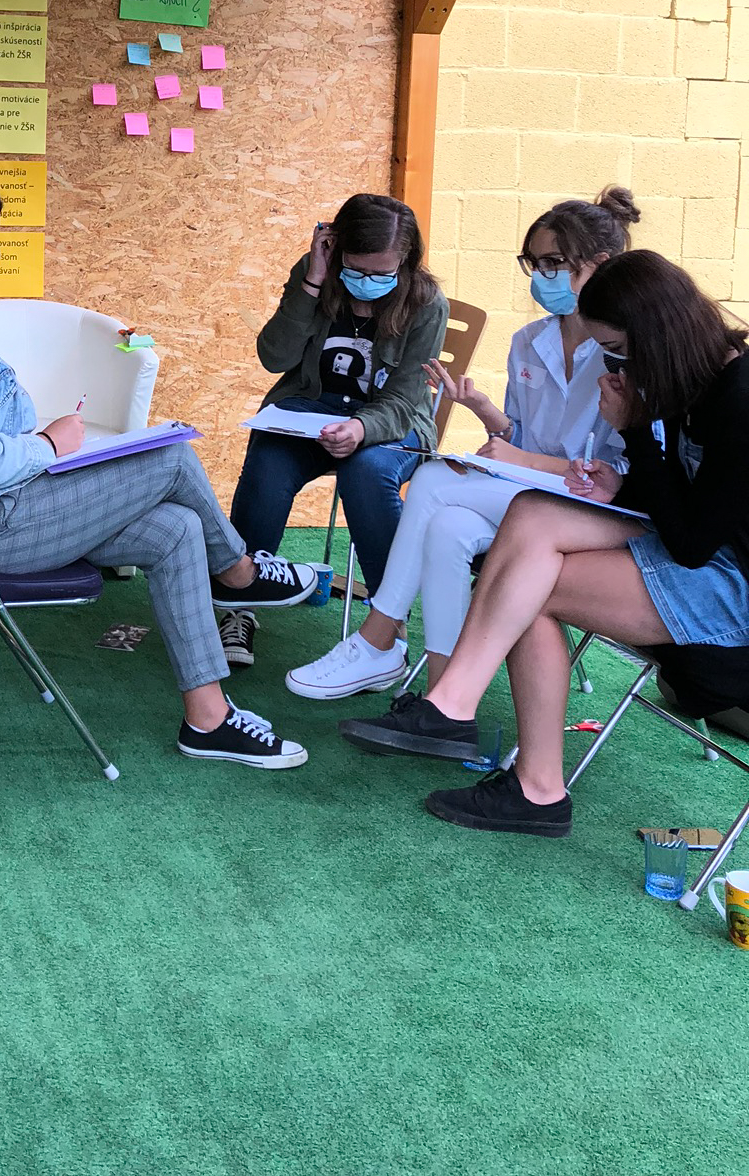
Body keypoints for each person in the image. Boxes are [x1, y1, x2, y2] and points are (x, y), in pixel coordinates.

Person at [0, 170, 320, 769]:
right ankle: (239, 573)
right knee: (170, 455)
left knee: (177, 529)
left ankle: (207, 720)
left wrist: (46, 445)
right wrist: (49, 445)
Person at [336, 250, 749, 837]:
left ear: (657, 336)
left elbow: (695, 542)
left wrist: (633, 427)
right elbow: (691, 498)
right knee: (530, 514)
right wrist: (622, 483)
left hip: (731, 590)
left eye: (618, 350)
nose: (615, 364)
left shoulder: (739, 397)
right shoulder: (699, 379)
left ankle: (530, 783)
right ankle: (455, 708)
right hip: (698, 546)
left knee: (530, 585)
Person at [284, 188, 638, 701]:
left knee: (432, 478)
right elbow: (519, 437)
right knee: (448, 528)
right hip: (533, 495)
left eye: (554, 263)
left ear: (599, 265)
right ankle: (441, 699)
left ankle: (379, 638)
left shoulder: (625, 351)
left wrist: (522, 459)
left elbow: (620, 473)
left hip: (592, 508)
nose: (541, 277)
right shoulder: (529, 341)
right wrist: (485, 411)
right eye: (533, 263)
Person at [225, 194, 446, 632]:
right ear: (335, 246)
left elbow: (404, 401)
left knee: (368, 471)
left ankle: (388, 622)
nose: (366, 281)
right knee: (268, 460)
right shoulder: (316, 274)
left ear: (405, 262)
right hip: (310, 409)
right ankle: (239, 604)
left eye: (381, 274)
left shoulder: (426, 303)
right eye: (356, 268)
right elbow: (274, 357)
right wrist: (312, 282)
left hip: (390, 422)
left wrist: (361, 427)